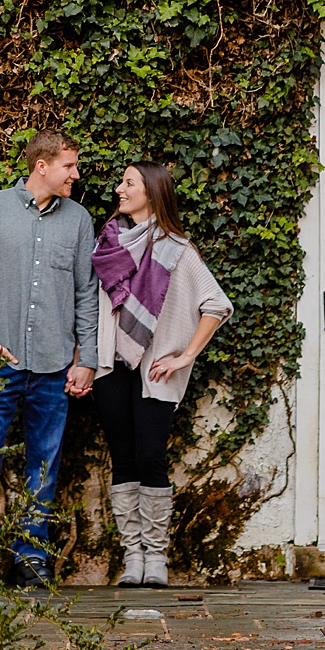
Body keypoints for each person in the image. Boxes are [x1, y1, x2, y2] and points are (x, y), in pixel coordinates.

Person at [0, 129, 98, 587]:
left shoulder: (78, 220)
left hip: (54, 367)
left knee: (45, 464)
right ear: (42, 166)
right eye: (70, 166)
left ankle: (30, 561)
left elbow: (86, 294)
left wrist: (86, 358)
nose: (76, 174)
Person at [91, 160, 231, 589]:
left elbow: (216, 304)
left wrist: (184, 356)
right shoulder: (107, 243)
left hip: (155, 370)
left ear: (151, 192)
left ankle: (156, 557)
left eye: (128, 182)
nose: (119, 188)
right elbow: (90, 306)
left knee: (151, 457)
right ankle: (132, 556)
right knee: (123, 459)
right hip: (111, 366)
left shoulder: (177, 250)